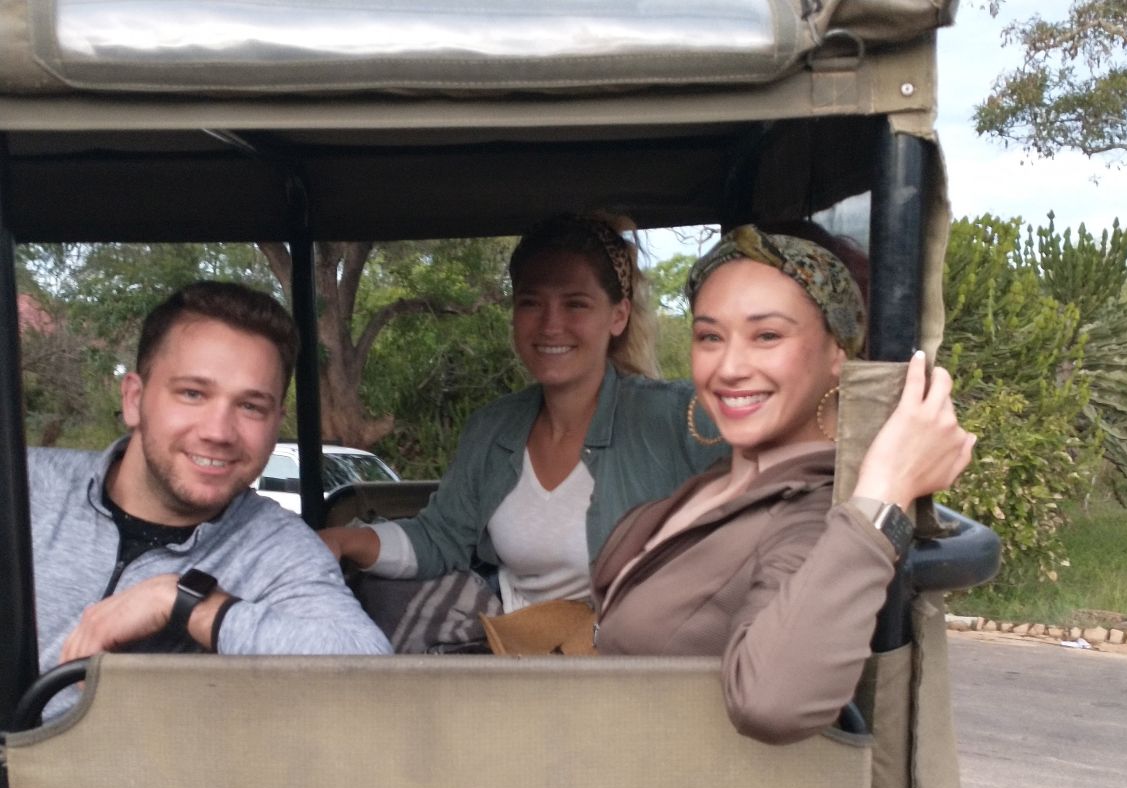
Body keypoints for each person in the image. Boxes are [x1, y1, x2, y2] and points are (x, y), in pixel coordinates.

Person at [592, 226, 975, 744]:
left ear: (838, 351)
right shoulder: (720, 483)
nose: (729, 368)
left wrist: (886, 493)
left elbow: (772, 703)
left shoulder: (817, 514)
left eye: (767, 336)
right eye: (710, 337)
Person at [320, 213, 725, 621]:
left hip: (638, 652)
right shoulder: (492, 428)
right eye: (531, 302)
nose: (551, 325)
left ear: (618, 316)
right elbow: (438, 538)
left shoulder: (681, 416)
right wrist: (341, 540)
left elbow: (753, 515)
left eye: (575, 304)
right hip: (511, 649)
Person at [29, 281, 391, 714]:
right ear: (134, 399)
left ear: (276, 423)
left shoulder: (276, 547)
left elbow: (372, 673)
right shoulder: (28, 486)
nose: (218, 432)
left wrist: (187, 604)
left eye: (251, 406)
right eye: (193, 394)